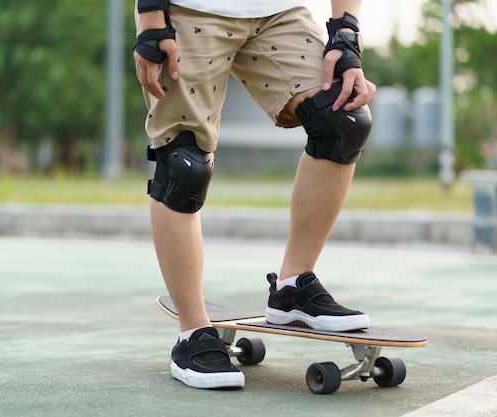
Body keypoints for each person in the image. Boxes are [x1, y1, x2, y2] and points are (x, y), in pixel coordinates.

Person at [133, 0, 377, 390]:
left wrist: (346, 33)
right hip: (192, 10)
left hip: (279, 10)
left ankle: (292, 287)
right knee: (184, 163)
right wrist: (150, 19)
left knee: (343, 118)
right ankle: (193, 333)